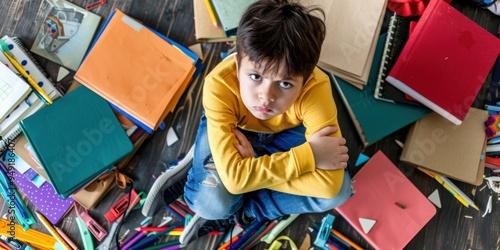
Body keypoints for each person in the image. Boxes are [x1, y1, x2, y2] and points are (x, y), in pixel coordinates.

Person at [179, 0, 353, 244]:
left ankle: (246, 208)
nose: (266, 97)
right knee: (211, 205)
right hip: (236, 130)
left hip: (287, 132)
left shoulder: (317, 88)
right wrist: (310, 155)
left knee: (340, 191)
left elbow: (328, 186)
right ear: (238, 65)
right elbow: (236, 180)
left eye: (285, 84)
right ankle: (226, 179)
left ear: (307, 79)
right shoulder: (219, 83)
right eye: (255, 76)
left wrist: (250, 169)